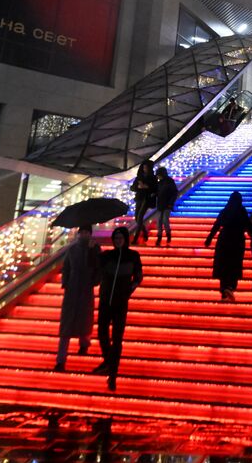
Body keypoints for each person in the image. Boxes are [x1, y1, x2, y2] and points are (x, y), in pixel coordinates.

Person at [93, 226, 142, 391]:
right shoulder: (107, 255)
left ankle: (112, 375)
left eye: (120, 238)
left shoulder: (133, 256)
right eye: (115, 238)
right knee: (102, 332)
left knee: (117, 338)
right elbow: (94, 266)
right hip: (105, 299)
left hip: (121, 302)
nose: (118, 240)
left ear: (126, 239)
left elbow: (138, 276)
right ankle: (108, 361)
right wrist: (93, 249)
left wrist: (130, 289)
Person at [54, 228, 99, 371]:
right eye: (82, 232)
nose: (84, 235)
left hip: (85, 288)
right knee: (67, 324)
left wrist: (95, 280)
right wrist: (65, 282)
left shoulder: (95, 248)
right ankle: (61, 360)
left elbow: (98, 266)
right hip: (72, 289)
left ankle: (84, 343)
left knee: (84, 318)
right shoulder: (72, 249)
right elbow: (66, 267)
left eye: (86, 232)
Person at [204, 192, 252, 300]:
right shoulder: (242, 211)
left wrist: (209, 239)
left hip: (224, 239)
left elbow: (216, 225)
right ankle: (230, 287)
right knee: (235, 264)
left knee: (223, 264)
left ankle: (223, 289)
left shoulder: (225, 210)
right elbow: (249, 226)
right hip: (237, 240)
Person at [130, 161, 159, 243]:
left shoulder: (153, 178)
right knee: (137, 218)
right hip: (139, 198)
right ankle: (145, 232)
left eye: (146, 168)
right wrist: (139, 187)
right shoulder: (139, 177)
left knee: (139, 217)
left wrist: (147, 187)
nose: (144, 169)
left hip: (147, 199)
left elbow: (155, 189)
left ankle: (136, 238)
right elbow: (132, 187)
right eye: (144, 168)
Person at [153, 166, 178, 245]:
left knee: (165, 220)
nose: (158, 176)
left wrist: (171, 203)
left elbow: (174, 193)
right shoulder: (160, 183)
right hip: (160, 204)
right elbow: (158, 192)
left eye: (158, 175)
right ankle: (160, 237)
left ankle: (168, 235)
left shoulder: (169, 182)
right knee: (159, 222)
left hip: (167, 204)